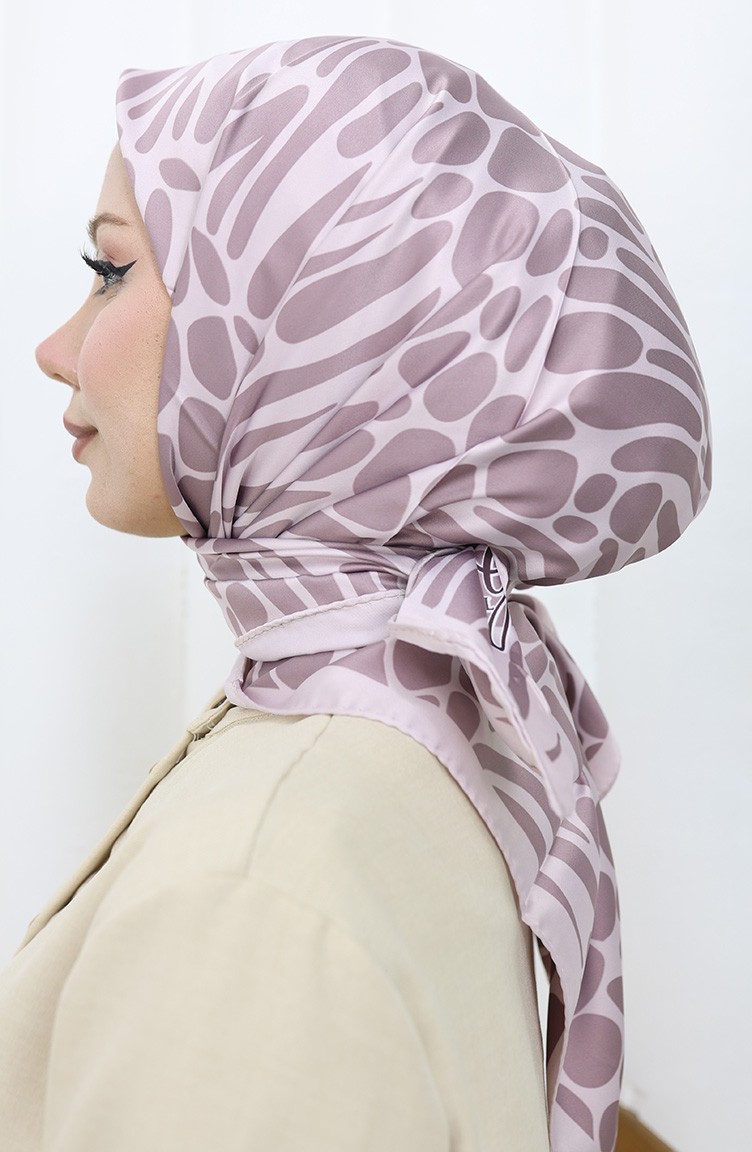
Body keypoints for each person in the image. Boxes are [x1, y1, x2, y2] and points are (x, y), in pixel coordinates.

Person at [0, 35, 711, 1152]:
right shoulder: (432, 731)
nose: (55, 347)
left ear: (312, 325)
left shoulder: (249, 898)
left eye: (111, 270)